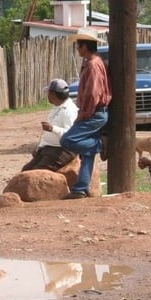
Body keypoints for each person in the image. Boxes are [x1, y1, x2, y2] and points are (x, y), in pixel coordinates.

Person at [60, 29, 112, 199]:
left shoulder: (92, 64)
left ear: (84, 46)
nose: (77, 49)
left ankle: (101, 145)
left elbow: (93, 94)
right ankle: (81, 188)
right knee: (87, 154)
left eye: (78, 45)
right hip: (97, 112)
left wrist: (84, 114)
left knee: (67, 140)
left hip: (94, 113)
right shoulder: (95, 62)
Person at [22, 78, 78, 172]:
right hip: (50, 148)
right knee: (26, 170)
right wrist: (39, 147)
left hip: (62, 150)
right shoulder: (56, 108)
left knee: (36, 173)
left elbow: (71, 134)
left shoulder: (69, 110)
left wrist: (53, 128)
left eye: (48, 93)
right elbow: (48, 135)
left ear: (53, 94)